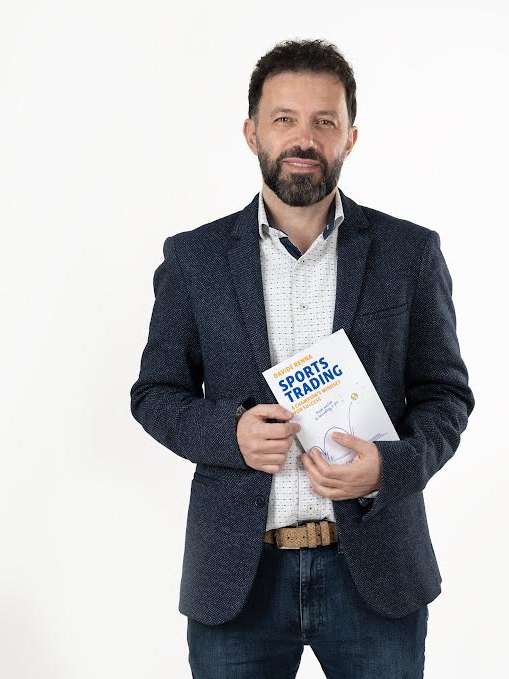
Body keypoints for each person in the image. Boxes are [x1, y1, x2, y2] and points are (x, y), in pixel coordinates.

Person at [129, 38, 474, 678]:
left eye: (324, 121)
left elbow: (445, 397)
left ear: (350, 137)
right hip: (238, 575)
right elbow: (154, 394)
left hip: (375, 567)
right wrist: (230, 433)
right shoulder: (194, 259)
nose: (304, 138)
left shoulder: (409, 254)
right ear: (252, 132)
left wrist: (389, 468)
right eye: (284, 118)